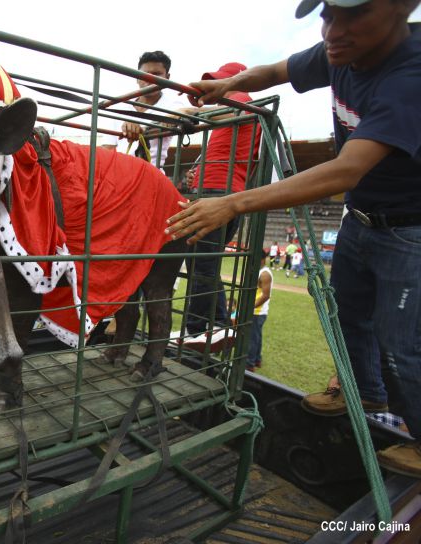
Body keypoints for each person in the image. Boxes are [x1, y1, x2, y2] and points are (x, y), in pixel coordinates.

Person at [166, 0, 421, 476]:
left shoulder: (410, 76)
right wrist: (229, 84)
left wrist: (234, 202)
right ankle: (362, 391)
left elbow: (347, 168)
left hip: (409, 227)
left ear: (401, 8)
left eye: (353, 15)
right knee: (347, 314)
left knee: (400, 340)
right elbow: (276, 71)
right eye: (327, 15)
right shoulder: (342, 48)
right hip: (361, 216)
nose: (333, 30)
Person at [180, 62, 261, 338]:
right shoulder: (236, 110)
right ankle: (219, 326)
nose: (215, 87)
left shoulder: (240, 97)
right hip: (219, 192)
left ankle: (196, 331)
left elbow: (225, 112)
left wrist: (188, 111)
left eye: (220, 82)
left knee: (201, 268)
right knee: (205, 266)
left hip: (217, 194)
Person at [102, 51, 189, 168]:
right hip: (120, 176)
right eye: (145, 74)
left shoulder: (174, 105)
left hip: (151, 176)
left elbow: (169, 123)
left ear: (167, 78)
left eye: (156, 74)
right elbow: (108, 149)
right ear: (137, 78)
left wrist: (138, 129)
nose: (150, 79)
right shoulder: (119, 106)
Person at [247, 253, 273, 371]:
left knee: (252, 338)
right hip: (257, 310)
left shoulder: (264, 274)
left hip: (258, 311)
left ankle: (249, 363)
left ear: (262, 259)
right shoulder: (259, 271)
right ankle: (257, 359)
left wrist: (250, 307)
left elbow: (265, 295)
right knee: (256, 336)